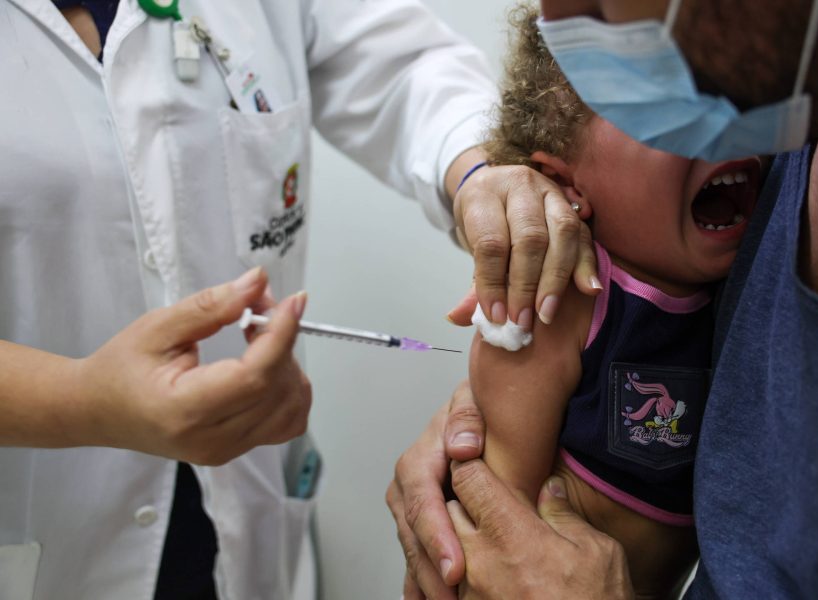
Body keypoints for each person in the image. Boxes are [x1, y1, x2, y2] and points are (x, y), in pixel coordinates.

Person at [387, 0, 818, 597]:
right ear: (569, 186)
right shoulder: (583, 290)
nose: (562, 13)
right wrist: (477, 439)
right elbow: (498, 527)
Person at [0, 0, 600, 598]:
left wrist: (476, 173)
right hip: (43, 526)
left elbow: (403, 67)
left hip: (243, 522)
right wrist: (82, 400)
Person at [466, 6, 761, 597]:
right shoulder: (563, 304)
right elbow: (497, 526)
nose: (720, 119)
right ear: (567, 186)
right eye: (666, 106)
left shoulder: (745, 280)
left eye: (728, 87)